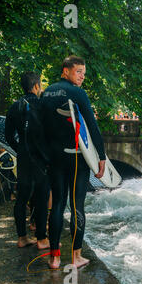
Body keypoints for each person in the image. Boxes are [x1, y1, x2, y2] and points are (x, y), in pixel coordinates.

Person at [41, 55, 106, 269]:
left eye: (84, 74)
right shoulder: (77, 93)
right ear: (66, 70)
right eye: (79, 72)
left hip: (55, 156)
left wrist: (45, 155)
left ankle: (55, 258)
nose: (82, 77)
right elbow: (92, 125)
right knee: (77, 205)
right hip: (77, 157)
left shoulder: (46, 92)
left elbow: (39, 127)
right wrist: (102, 157)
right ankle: (76, 257)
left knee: (57, 204)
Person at [4, 72, 51, 249]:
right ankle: (41, 239)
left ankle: (22, 238)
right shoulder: (42, 105)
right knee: (42, 196)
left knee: (22, 197)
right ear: (37, 86)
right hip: (41, 158)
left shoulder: (14, 107)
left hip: (23, 156)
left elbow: (9, 136)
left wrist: (19, 149)